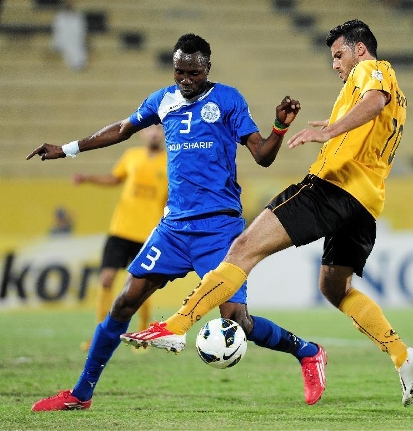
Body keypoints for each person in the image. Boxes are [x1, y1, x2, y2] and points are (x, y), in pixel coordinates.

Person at [122, 20, 413, 407]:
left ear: (360, 49)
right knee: (334, 288)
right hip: (366, 206)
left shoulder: (374, 70)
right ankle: (402, 356)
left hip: (332, 188)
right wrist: (337, 126)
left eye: (339, 55)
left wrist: (330, 132)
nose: (336, 64)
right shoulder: (397, 96)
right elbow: (374, 115)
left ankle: (176, 325)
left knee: (243, 248)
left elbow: (374, 102)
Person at [27, 33, 326, 411]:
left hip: (219, 229)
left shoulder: (228, 100)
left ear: (207, 69)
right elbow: (122, 129)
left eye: (193, 73)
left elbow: (263, 156)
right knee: (124, 303)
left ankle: (309, 352)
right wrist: (67, 149)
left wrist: (279, 127)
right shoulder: (162, 100)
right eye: (179, 72)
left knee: (237, 322)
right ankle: (81, 393)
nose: (184, 80)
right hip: (173, 229)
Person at [74, 124, 167, 351]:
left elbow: (172, 197)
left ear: (164, 133)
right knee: (106, 280)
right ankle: (100, 334)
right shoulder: (131, 156)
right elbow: (114, 179)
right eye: (150, 129)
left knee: (143, 285)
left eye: (159, 128)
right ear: (143, 133)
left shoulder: (172, 161)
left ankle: (143, 332)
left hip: (149, 234)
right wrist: (88, 178)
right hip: (121, 230)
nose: (154, 132)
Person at [51, 0, 87, 71]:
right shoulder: (59, 17)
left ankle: (78, 65)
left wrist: (81, 39)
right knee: (67, 50)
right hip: (63, 39)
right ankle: (74, 64)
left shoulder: (78, 17)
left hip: (75, 39)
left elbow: (82, 30)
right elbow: (56, 30)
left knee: (77, 50)